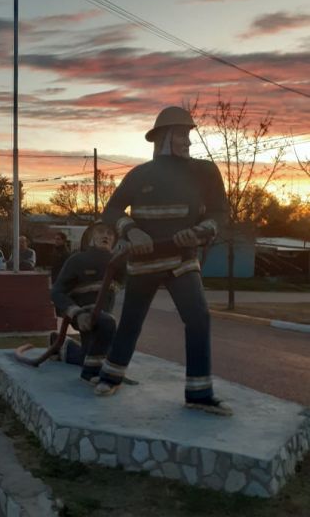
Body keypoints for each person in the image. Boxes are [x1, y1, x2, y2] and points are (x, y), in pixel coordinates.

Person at [94, 105, 232, 416]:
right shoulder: (139, 174)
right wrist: (131, 231)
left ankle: (199, 392)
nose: (187, 141)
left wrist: (199, 231)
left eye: (188, 134)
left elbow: (220, 213)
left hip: (182, 260)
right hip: (142, 262)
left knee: (198, 318)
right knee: (130, 321)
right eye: (182, 134)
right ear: (164, 137)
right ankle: (110, 375)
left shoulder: (204, 171)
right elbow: (111, 210)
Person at [51, 221, 124, 383]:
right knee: (104, 348)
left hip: (104, 319)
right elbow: (56, 292)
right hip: (82, 316)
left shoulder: (119, 264)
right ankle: (91, 374)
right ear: (91, 236)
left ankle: (64, 347)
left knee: (99, 354)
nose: (106, 235)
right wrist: (76, 313)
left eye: (110, 233)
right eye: (100, 231)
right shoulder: (77, 260)